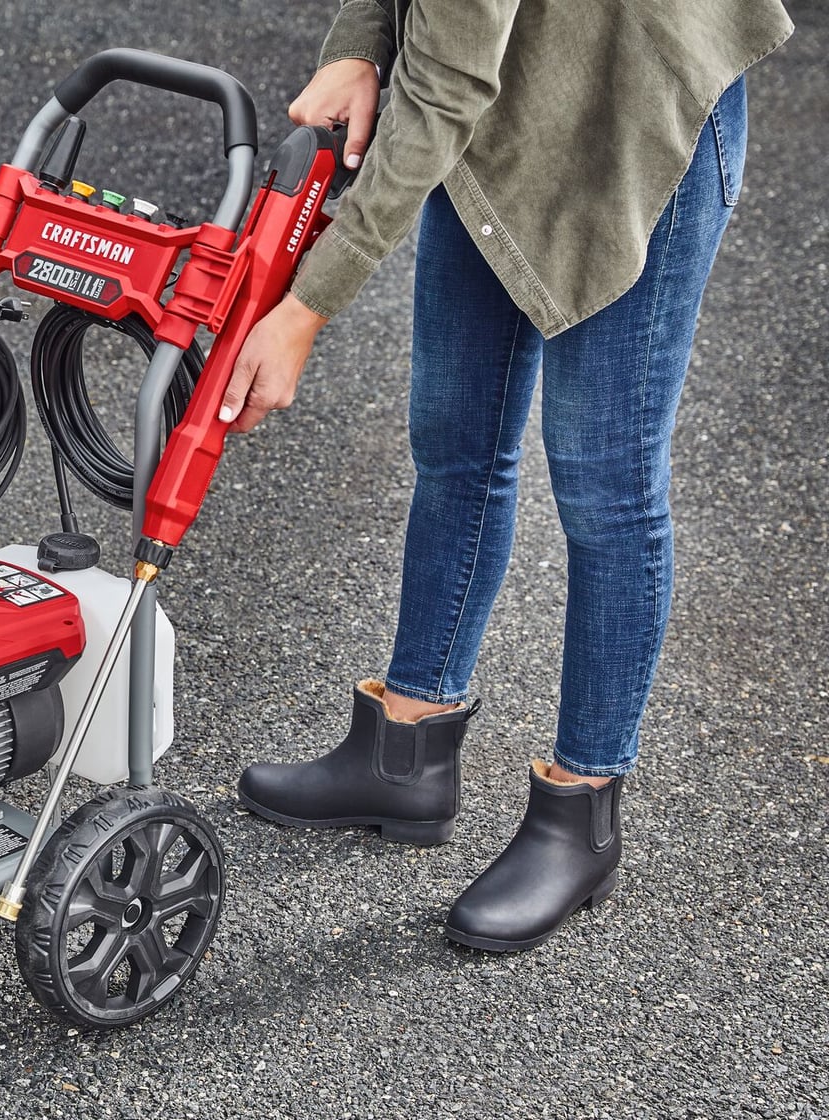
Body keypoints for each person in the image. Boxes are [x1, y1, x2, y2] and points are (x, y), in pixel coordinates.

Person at [228, 0, 794, 952]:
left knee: (605, 481)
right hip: (504, 110)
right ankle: (404, 753)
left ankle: (580, 818)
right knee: (457, 436)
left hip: (635, 116)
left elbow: (448, 81)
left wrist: (304, 310)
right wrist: (363, 48)